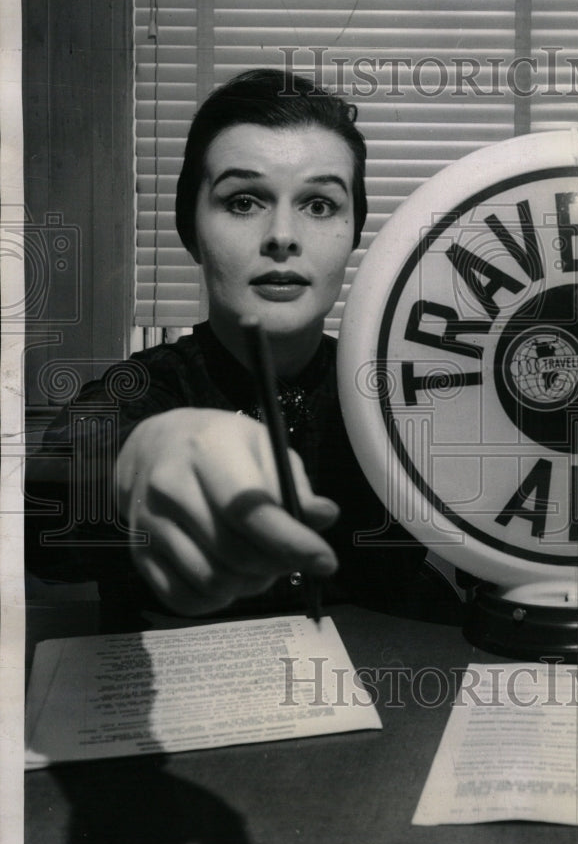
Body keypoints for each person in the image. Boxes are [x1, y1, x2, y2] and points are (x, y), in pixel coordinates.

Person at [26, 69, 459, 628]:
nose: (282, 235)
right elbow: (43, 519)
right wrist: (142, 457)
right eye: (244, 201)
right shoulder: (137, 392)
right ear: (191, 228)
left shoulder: (401, 397)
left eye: (320, 205)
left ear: (354, 233)